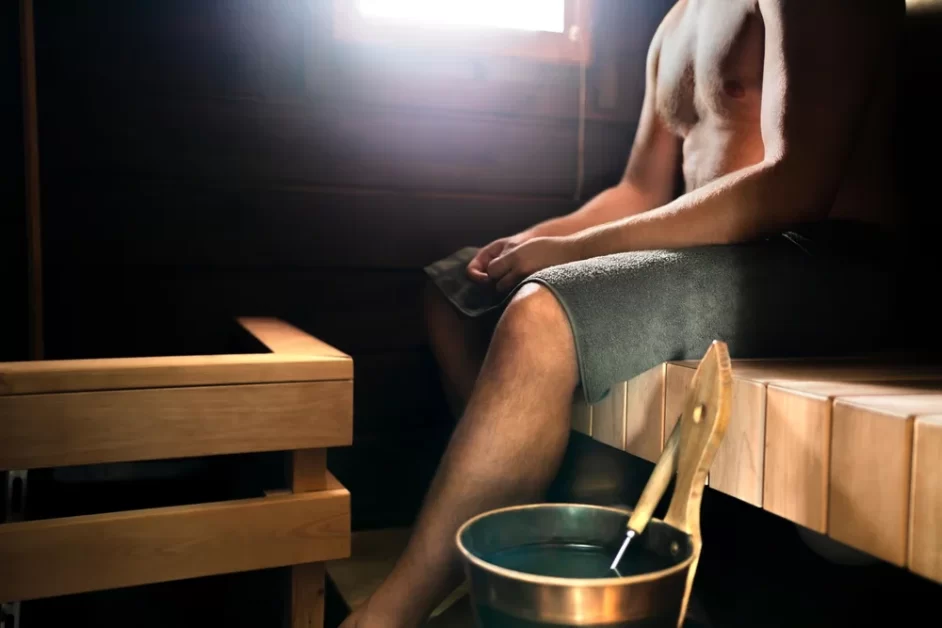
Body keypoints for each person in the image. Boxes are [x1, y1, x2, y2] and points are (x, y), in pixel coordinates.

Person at [342, 1, 904, 626]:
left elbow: (798, 184)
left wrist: (571, 256)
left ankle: (389, 613)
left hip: (823, 264)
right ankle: (544, 546)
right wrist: (531, 246)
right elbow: (640, 190)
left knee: (540, 316)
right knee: (454, 292)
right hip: (711, 257)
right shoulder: (679, 18)